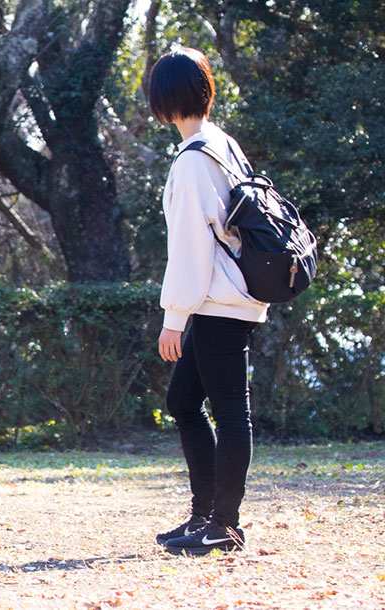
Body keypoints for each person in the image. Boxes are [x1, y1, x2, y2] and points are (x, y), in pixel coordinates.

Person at [148, 49, 269, 556]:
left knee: (229, 411)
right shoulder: (220, 144)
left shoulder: (195, 159)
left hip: (217, 301)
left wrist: (173, 319)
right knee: (182, 402)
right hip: (223, 298)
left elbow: (191, 250)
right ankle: (205, 515)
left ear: (164, 100)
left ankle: (224, 524)